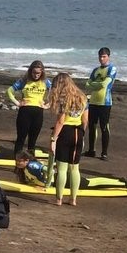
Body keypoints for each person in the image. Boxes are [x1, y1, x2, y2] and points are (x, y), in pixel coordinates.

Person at [46, 73, 89, 206]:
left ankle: (59, 199)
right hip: (78, 132)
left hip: (65, 133)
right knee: (75, 168)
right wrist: (82, 134)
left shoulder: (64, 99)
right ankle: (73, 199)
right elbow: (85, 120)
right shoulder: (83, 97)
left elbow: (60, 121)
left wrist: (53, 139)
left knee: (62, 168)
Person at [7, 60, 51, 156]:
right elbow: (9, 91)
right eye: (34, 72)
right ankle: (17, 161)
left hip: (38, 113)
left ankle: (31, 162)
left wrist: (48, 105)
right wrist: (17, 103)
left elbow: (56, 93)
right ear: (30, 71)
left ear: (42, 72)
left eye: (38, 73)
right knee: (21, 138)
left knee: (33, 140)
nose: (36, 75)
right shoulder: (24, 81)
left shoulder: (45, 82)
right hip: (25, 112)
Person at [83, 47, 117, 160]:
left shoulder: (112, 68)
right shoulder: (95, 70)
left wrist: (95, 85)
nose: (101, 59)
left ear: (108, 57)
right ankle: (91, 150)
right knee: (92, 126)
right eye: (100, 56)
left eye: (104, 56)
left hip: (105, 103)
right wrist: (96, 85)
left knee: (104, 127)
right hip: (93, 101)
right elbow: (87, 84)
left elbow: (105, 84)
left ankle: (104, 153)